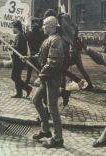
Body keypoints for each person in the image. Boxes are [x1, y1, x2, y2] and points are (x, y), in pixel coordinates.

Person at [27, 16, 65, 148]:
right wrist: (29, 57)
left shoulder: (56, 40)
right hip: (47, 78)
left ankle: (58, 139)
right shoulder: (48, 39)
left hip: (52, 79)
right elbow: (42, 55)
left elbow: (53, 62)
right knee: (36, 100)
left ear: (52, 26)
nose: (42, 27)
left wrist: (41, 77)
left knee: (53, 109)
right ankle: (45, 130)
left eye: (44, 25)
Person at [10, 20, 32, 98]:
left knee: (14, 76)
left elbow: (18, 48)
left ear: (17, 28)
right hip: (17, 59)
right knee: (17, 76)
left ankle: (28, 88)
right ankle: (19, 93)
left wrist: (10, 47)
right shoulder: (19, 35)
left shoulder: (20, 36)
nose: (12, 29)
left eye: (13, 27)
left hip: (19, 60)